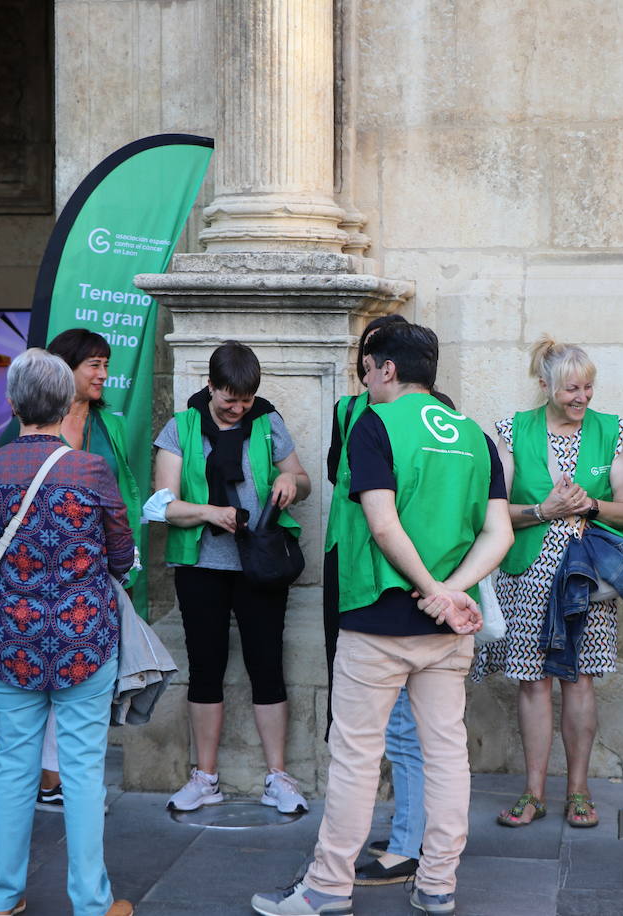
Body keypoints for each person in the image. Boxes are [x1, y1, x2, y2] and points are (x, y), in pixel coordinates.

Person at [252, 321, 514, 916]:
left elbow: (382, 524)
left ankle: (326, 890)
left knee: (355, 759)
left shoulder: (375, 422)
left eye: (366, 366)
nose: (363, 377)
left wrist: (430, 589)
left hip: (378, 616)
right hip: (448, 625)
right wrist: (450, 592)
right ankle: (438, 885)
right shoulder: (474, 435)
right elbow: (497, 531)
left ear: (386, 368)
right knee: (447, 755)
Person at [0, 348, 135, 916]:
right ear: (67, 403)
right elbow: (121, 555)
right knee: (83, 770)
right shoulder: (90, 470)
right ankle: (91, 903)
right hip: (82, 641)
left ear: (13, 403)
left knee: (14, 765)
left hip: (8, 641)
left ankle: (2, 898)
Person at [473, 336, 623, 829]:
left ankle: (579, 792)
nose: (582, 398)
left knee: (581, 679)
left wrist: (590, 506)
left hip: (586, 578)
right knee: (533, 683)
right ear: (544, 385)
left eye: (588, 387)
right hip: (526, 576)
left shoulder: (612, 431)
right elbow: (492, 509)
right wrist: (542, 510)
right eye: (571, 388)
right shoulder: (512, 430)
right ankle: (533, 792)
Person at [154, 341, 313, 815]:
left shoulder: (267, 423)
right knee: (205, 668)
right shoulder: (180, 428)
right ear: (210, 386)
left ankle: (278, 777)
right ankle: (205, 778)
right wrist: (209, 512)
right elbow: (164, 503)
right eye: (229, 399)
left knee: (267, 666)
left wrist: (291, 484)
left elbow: (301, 479)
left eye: (245, 400)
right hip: (202, 565)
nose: (237, 408)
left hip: (260, 564)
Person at [0, 328, 143, 812]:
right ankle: (53, 783)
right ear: (64, 373)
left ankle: (56, 784)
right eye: (94, 365)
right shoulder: (24, 433)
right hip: (35, 582)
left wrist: (125, 559)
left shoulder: (113, 426)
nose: (104, 374)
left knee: (78, 684)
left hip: (95, 577)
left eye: (107, 363)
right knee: (46, 688)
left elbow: (123, 492)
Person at [323, 313, 430, 886]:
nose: (367, 381)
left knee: (410, 725)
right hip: (352, 571)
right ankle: (405, 834)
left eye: (371, 369)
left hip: (404, 578)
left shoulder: (427, 418)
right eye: (361, 369)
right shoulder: (348, 412)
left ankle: (411, 842)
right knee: (372, 724)